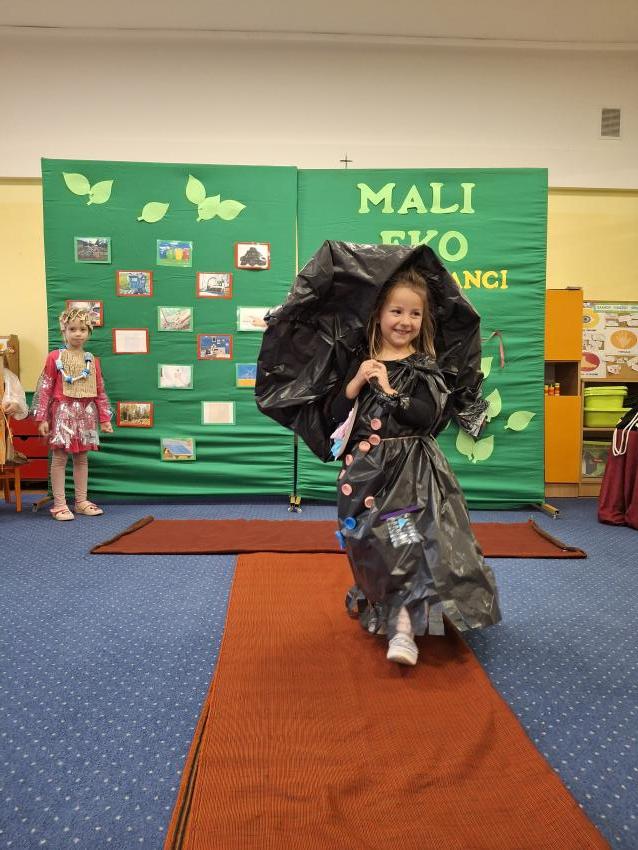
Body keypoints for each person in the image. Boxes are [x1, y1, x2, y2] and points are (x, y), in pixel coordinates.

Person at [328, 266, 500, 666]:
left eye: (414, 313)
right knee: (370, 545)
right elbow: (337, 413)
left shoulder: (424, 367)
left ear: (424, 320)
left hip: (407, 478)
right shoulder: (363, 362)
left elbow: (424, 417)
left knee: (403, 545)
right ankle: (387, 606)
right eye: (396, 311)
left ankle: (403, 630)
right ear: (378, 315)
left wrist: (388, 390)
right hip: (365, 477)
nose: (405, 321)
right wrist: (357, 382)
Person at [32, 307, 113, 520]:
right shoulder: (55, 357)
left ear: (89, 332)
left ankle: (81, 501)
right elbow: (46, 387)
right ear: (64, 331)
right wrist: (42, 417)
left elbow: (99, 390)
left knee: (82, 457)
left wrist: (104, 418)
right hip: (63, 414)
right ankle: (59, 504)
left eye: (83, 329)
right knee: (59, 457)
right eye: (73, 329)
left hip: (87, 416)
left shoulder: (92, 360)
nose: (78, 333)